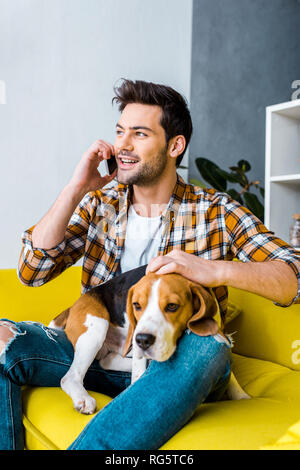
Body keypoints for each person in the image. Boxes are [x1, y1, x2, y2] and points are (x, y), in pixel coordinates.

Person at [0, 79, 299, 450]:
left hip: (175, 364)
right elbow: (32, 270)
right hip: (109, 355)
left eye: (139, 134)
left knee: (210, 346)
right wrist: (76, 188)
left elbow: (293, 274)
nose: (122, 145)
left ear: (175, 145)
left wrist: (216, 270)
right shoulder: (100, 205)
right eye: (120, 132)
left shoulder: (216, 210)